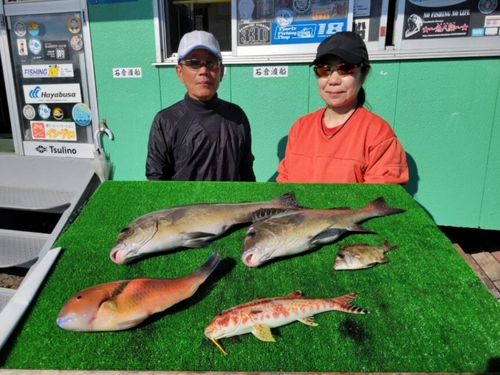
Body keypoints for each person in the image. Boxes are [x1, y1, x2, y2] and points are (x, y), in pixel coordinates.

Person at [276, 32, 409, 184]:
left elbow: (380, 200)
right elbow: (284, 183)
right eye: (324, 70)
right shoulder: (300, 127)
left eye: (345, 69)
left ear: (363, 74)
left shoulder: (378, 134)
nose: (333, 80)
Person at [146, 31, 256, 181]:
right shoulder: (166, 120)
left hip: (229, 205)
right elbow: (156, 178)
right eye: (194, 63)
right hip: (185, 205)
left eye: (211, 63)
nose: (203, 71)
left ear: (221, 71)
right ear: (179, 72)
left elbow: (246, 172)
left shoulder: (237, 116)